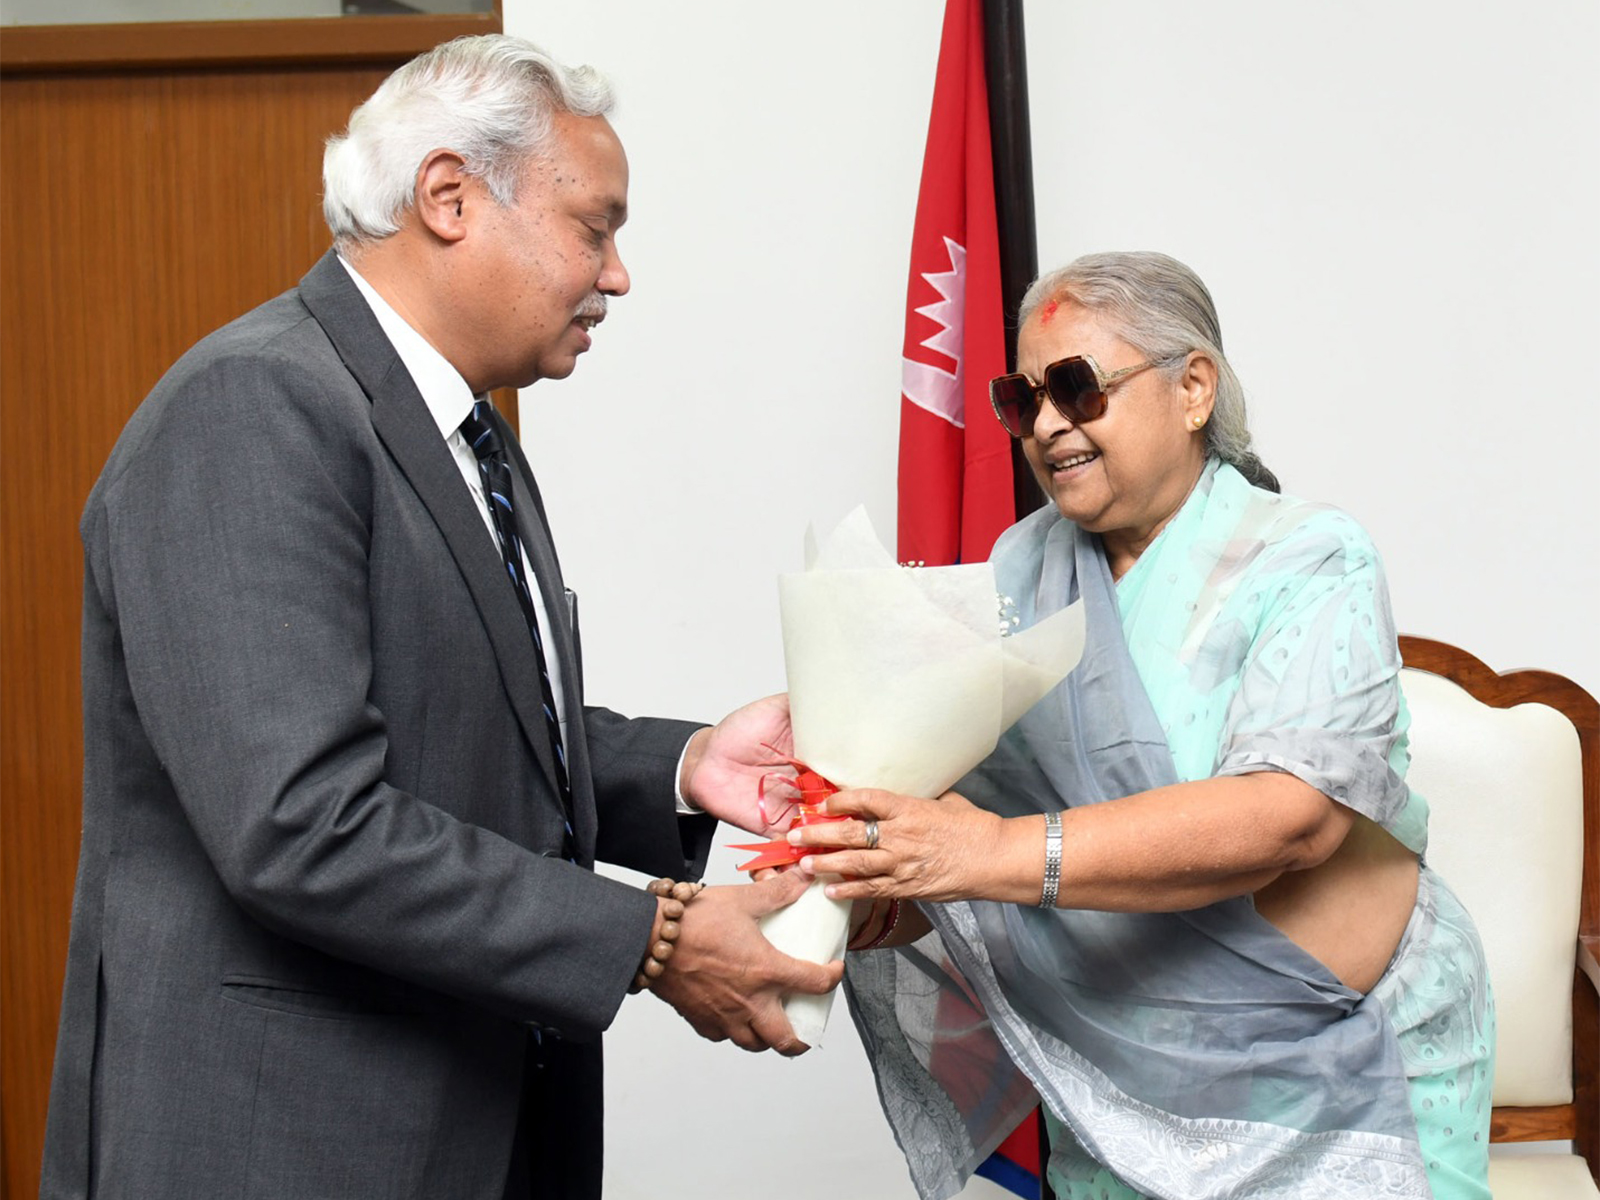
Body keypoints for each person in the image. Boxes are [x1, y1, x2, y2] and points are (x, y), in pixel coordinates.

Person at [41, 34, 840, 1200]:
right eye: (595, 228)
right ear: (451, 197)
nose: (616, 276)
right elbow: (303, 823)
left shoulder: (474, 437)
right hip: (286, 1144)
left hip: (467, 1126)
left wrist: (680, 766)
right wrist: (651, 938)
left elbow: (455, 725)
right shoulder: (253, 405)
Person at [792, 252, 1493, 1200]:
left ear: (1193, 387)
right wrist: (873, 885)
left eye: (1078, 389)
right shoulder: (1019, 572)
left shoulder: (1310, 557)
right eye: (1021, 397)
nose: (1046, 425)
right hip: (1119, 1089)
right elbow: (965, 835)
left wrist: (988, 849)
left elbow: (1291, 819)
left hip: (1343, 1068)